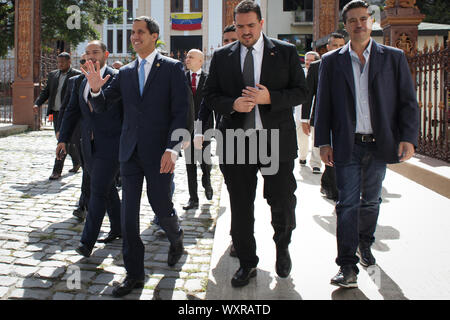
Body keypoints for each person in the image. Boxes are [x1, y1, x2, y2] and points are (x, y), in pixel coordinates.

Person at [314, 0, 419, 288]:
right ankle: (346, 265)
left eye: (363, 18)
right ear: (345, 25)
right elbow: (323, 105)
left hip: (380, 143)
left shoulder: (393, 57)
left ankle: (365, 243)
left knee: (371, 200)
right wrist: (323, 142)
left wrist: (409, 137)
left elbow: (408, 102)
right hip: (347, 143)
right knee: (346, 203)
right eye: (352, 20)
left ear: (371, 21)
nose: (359, 24)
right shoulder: (331, 61)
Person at [83, 16, 189, 297]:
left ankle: (175, 235)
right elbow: (104, 104)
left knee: (160, 203)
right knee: (129, 217)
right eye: (132, 33)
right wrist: (95, 88)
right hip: (129, 154)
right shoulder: (125, 73)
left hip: (160, 153)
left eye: (140, 32)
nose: (134, 37)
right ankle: (134, 274)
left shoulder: (172, 68)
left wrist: (173, 148)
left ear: (154, 36)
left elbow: (182, 112)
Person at [204, 0, 307, 287]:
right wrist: (233, 104)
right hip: (237, 142)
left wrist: (270, 97)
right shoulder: (223, 56)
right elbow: (210, 96)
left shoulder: (284, 52)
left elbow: (301, 91)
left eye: (251, 25)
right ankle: (247, 262)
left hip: (276, 141)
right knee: (240, 205)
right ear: (234, 26)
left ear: (261, 24)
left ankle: (282, 246)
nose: (246, 31)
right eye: (240, 26)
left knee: (283, 201)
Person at [56, 40, 123, 258]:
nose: (90, 56)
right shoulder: (77, 81)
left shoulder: (119, 77)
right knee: (107, 188)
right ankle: (118, 227)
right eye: (87, 53)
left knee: (97, 191)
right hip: (87, 145)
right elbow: (71, 112)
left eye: (95, 52)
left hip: (112, 145)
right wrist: (63, 139)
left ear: (106, 53)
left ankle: (87, 242)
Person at [194, 24, 239, 258]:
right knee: (236, 190)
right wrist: (200, 130)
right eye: (226, 40)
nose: (230, 43)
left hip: (261, 138)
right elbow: (206, 102)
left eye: (234, 38)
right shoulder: (218, 68)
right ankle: (238, 236)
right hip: (228, 137)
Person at [303, 33, 346, 201]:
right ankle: (329, 183)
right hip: (322, 118)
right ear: (327, 47)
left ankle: (332, 186)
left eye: (340, 45)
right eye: (334, 45)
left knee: (338, 154)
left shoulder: (352, 64)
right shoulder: (316, 67)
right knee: (326, 152)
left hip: (345, 121)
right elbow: (308, 95)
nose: (337, 48)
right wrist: (304, 119)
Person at [33, 52, 81, 180]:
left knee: (62, 140)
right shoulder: (53, 75)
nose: (60, 64)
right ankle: (77, 162)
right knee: (65, 140)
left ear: (69, 62)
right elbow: (46, 92)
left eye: (63, 62)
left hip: (69, 114)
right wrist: (37, 103)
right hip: (56, 113)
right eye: (58, 62)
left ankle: (57, 171)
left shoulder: (77, 75)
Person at [56, 54, 90, 221]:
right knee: (87, 171)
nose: (85, 63)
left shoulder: (111, 77)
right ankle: (83, 206)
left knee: (97, 176)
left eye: (88, 59)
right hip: (80, 134)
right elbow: (66, 109)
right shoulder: (74, 81)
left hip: (103, 137)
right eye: (82, 61)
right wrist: (62, 133)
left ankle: (88, 205)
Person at [182, 49, 213, 211]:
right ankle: (193, 198)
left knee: (205, 161)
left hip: (204, 127)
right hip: (187, 128)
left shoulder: (209, 79)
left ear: (200, 61)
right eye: (187, 57)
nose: (187, 59)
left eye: (191, 57)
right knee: (189, 164)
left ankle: (207, 181)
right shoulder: (181, 79)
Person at [294, 51, 321, 173]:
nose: (308, 62)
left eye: (311, 60)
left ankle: (315, 163)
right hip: (300, 110)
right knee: (302, 136)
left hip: (316, 111)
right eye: (307, 60)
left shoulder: (319, 71)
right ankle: (303, 156)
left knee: (316, 137)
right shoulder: (299, 73)